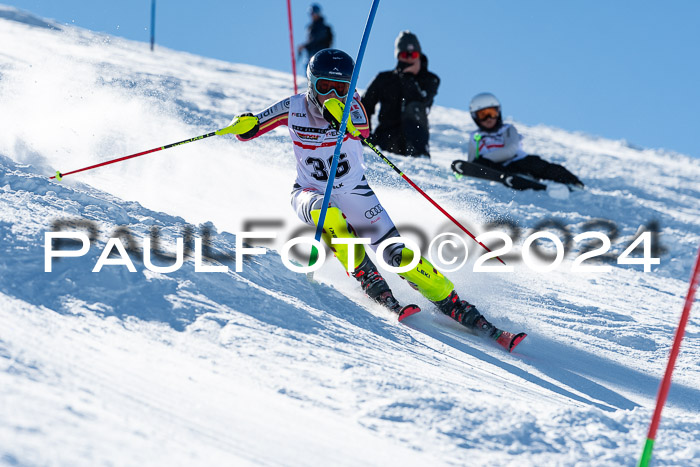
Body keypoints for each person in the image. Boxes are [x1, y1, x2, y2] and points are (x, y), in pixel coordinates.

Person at [229, 49, 523, 350]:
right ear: (310, 84)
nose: (333, 93)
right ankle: (370, 280)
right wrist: (245, 123)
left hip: (356, 192)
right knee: (327, 214)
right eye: (324, 87)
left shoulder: (353, 105)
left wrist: (338, 112)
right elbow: (251, 129)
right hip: (309, 192)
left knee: (398, 254)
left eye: (340, 87)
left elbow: (363, 130)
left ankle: (453, 302)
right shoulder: (293, 107)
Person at [467, 92, 584, 188]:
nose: (488, 119)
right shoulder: (475, 136)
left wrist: (485, 159)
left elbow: (511, 150)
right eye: (483, 115)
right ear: (475, 117)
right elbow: (470, 163)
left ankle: (570, 181)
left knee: (536, 164)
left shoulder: (507, 129)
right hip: (497, 168)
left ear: (498, 112)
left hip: (516, 161)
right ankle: (512, 177)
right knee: (482, 165)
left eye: (492, 113)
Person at [362, 31, 440, 158]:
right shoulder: (384, 79)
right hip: (386, 140)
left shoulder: (430, 80)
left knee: (414, 107)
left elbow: (423, 102)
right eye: (404, 54)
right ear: (398, 56)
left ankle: (419, 155)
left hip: (415, 143)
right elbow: (365, 105)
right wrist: (364, 136)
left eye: (413, 54)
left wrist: (408, 78)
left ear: (419, 55)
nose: (409, 58)